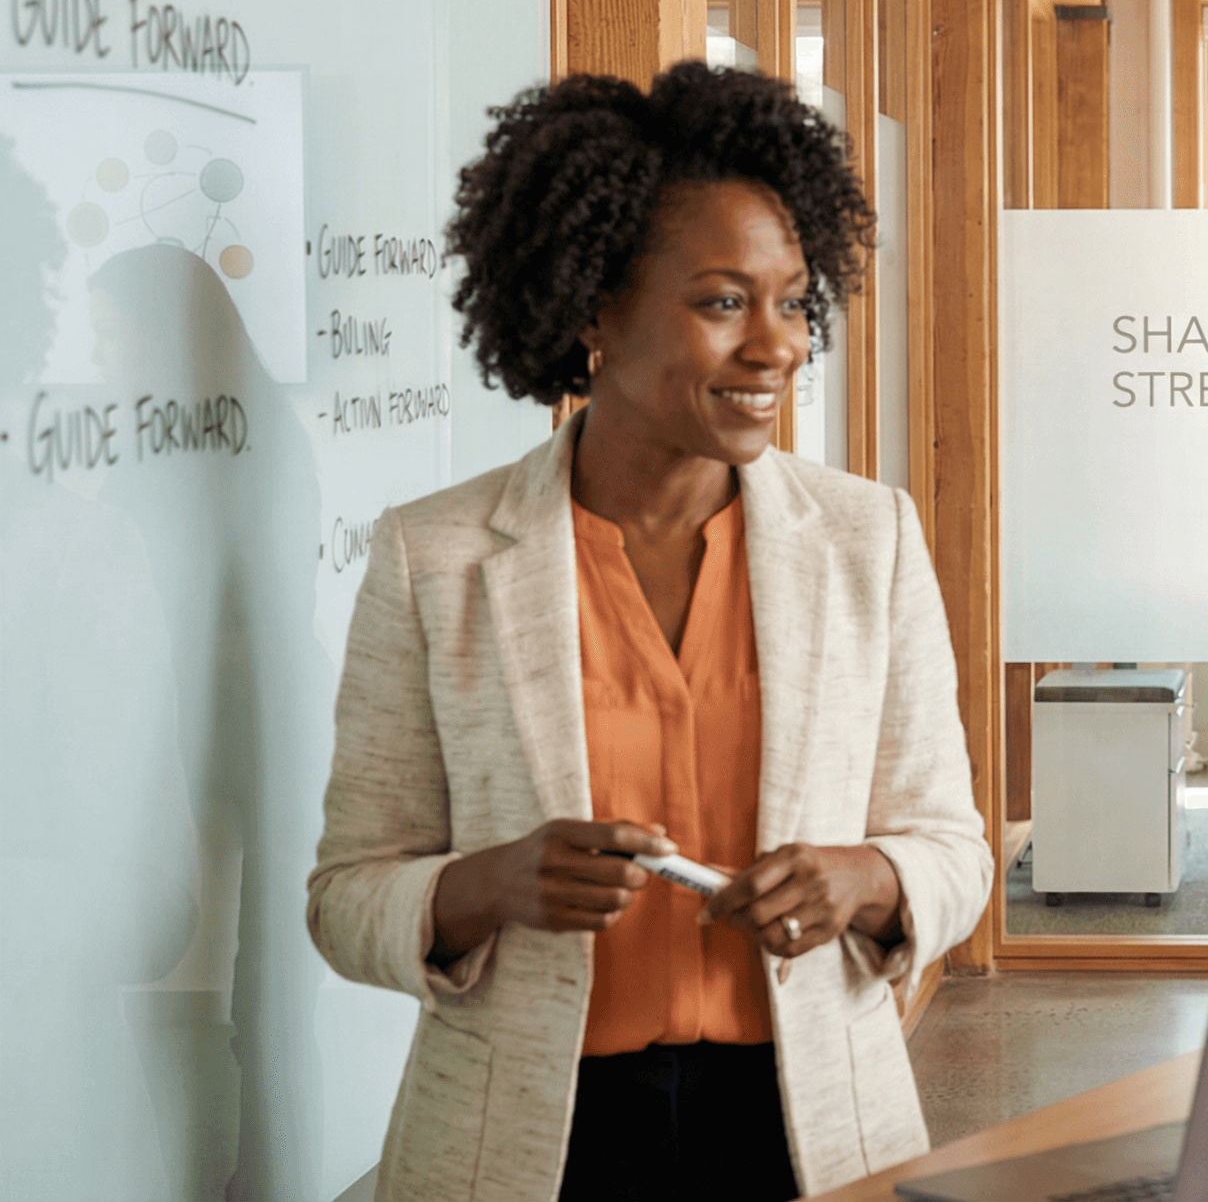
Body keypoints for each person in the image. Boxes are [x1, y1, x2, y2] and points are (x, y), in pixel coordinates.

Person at [305, 63, 992, 1202]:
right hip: (534, 1142)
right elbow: (346, 896)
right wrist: (493, 883)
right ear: (592, 307)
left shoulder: (868, 539)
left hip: (810, 1126)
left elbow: (955, 851)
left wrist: (867, 876)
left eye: (792, 298)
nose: (775, 344)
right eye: (723, 301)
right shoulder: (437, 556)